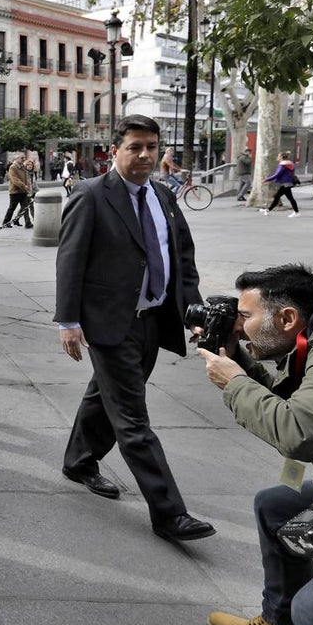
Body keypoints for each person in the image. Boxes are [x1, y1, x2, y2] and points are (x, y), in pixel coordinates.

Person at [55, 114, 214, 542]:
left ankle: (78, 460)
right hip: (109, 322)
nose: (145, 155)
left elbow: (182, 256)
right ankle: (169, 513)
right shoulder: (90, 195)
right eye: (135, 147)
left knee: (103, 394)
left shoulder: (163, 195)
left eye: (151, 147)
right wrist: (68, 321)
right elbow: (70, 261)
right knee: (132, 419)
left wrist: (193, 313)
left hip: (152, 320)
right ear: (115, 151)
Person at [198, 264, 313, 625]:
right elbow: (298, 402)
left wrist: (235, 383)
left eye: (245, 317)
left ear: (287, 317)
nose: (239, 326)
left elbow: (300, 434)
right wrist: (239, 360)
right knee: (277, 505)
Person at [260, 152, 300, 217]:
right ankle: (268, 210)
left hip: (285, 184)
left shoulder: (283, 165)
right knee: (278, 197)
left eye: (278, 156)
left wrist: (267, 179)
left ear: (281, 157)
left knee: (289, 198)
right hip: (287, 183)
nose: (277, 157)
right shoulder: (288, 164)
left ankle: (296, 212)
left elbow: (277, 175)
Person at [1, 154, 33, 229]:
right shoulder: (13, 167)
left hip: (23, 191)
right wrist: (23, 185)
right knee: (12, 208)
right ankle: (5, 222)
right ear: (16, 158)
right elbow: (14, 179)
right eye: (22, 158)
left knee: (25, 208)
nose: (23, 159)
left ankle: (28, 223)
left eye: (24, 158)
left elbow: (26, 178)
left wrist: (27, 187)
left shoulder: (22, 167)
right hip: (15, 191)